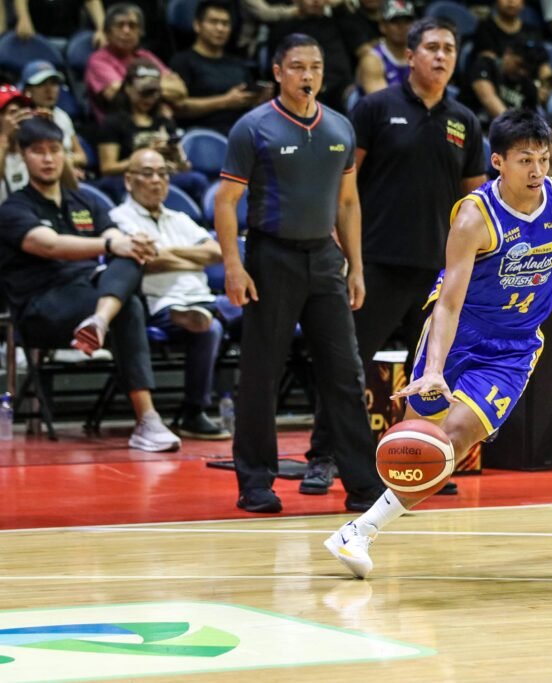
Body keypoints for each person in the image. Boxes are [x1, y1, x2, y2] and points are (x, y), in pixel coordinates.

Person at [323, 109, 552, 578]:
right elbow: (448, 304)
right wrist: (433, 369)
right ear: (498, 161)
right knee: (415, 444)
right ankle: (359, 526)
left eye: (543, 159)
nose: (538, 170)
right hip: (460, 335)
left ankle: (360, 531)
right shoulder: (473, 217)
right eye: (526, 160)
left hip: (515, 346)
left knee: (454, 439)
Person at [299, 17, 485, 498]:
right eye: (432, 48)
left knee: (430, 371)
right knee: (348, 366)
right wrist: (345, 243)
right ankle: (322, 458)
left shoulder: (464, 120)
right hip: (378, 262)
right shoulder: (375, 109)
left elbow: (475, 200)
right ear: (411, 55)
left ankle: (423, 459)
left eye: (449, 48)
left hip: (437, 272)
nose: (441, 57)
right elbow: (345, 182)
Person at [215, 33, 384, 514]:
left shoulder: (340, 129)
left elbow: (348, 203)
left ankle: (363, 485)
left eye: (314, 67)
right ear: (277, 72)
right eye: (296, 67)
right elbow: (226, 202)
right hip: (271, 258)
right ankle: (255, 482)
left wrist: (357, 266)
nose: (306, 75)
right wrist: (233, 264)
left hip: (326, 260)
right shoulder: (254, 128)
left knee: (346, 374)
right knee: (260, 374)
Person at [0, 117, 181, 452]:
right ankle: (147, 420)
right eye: (38, 152)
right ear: (23, 157)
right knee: (128, 298)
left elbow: (113, 233)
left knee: (129, 269)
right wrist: (112, 245)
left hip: (89, 300)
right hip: (43, 308)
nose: (48, 158)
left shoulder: (85, 201)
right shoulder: (14, 208)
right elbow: (50, 244)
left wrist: (128, 242)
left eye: (54, 150)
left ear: (65, 154)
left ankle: (99, 322)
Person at [110, 148, 231, 440]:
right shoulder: (118, 217)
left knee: (257, 311)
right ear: (129, 180)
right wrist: (192, 258)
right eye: (148, 174)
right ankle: (194, 412)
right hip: (157, 303)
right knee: (209, 328)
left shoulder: (179, 217)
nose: (157, 181)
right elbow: (146, 260)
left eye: (163, 174)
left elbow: (216, 252)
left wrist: (166, 251)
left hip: (202, 296)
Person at [95, 59, 209, 205]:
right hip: (131, 178)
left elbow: (184, 167)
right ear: (128, 88)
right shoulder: (113, 122)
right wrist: (148, 152)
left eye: (155, 93)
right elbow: (107, 168)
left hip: (162, 175)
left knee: (197, 180)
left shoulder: (164, 121)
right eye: (145, 92)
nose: (150, 98)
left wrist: (176, 156)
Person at [170, 0, 269, 136]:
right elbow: (179, 108)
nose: (220, 28)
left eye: (225, 23)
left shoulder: (238, 64)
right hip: (202, 135)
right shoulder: (182, 61)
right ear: (197, 25)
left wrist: (259, 100)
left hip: (241, 134)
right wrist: (225, 101)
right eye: (213, 22)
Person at [85, 3, 187, 119]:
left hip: (154, 123)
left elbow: (179, 90)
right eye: (120, 25)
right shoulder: (98, 60)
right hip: (120, 127)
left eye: (132, 26)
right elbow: (119, 97)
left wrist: (140, 88)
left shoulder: (145, 56)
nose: (126, 31)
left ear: (140, 32)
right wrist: (159, 89)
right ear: (107, 31)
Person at [267, 0, 356, 111]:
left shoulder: (339, 24)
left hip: (340, 89)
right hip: (302, 88)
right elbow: (275, 69)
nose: (316, 1)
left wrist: (340, 4)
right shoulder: (282, 28)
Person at [20, 61, 89, 179]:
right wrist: (64, 166)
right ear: (28, 90)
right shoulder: (21, 119)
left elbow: (82, 157)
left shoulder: (62, 116)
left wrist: (65, 164)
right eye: (41, 84)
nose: (49, 90)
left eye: (53, 84)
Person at [463, 37, 546, 126]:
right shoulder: (485, 65)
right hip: (469, 123)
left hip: (503, 133)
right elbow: (488, 99)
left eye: (527, 69)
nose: (522, 72)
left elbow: (530, 119)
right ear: (508, 53)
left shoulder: (528, 86)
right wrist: (514, 129)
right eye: (519, 65)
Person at [356, 0, 414, 95]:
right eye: (395, 21)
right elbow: (382, 105)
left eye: (407, 21)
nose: (402, 26)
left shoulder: (420, 54)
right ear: (382, 26)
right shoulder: (372, 60)